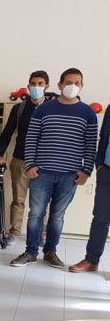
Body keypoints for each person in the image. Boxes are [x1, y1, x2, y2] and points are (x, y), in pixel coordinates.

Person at [10, 68, 97, 268]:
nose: (72, 86)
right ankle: (30, 252)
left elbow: (91, 144)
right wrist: (30, 164)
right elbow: (31, 138)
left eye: (77, 82)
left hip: (69, 176)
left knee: (57, 216)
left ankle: (50, 251)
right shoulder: (44, 109)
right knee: (35, 214)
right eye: (68, 82)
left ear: (82, 86)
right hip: (42, 174)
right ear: (59, 85)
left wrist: (86, 171)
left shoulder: (88, 113)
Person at [0, 70, 50, 246]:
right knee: (18, 201)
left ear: (47, 86)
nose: (37, 87)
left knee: (41, 203)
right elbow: (6, 134)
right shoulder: (19, 109)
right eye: (33, 83)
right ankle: (14, 232)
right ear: (28, 86)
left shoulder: (53, 108)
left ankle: (42, 233)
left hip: (43, 164)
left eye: (40, 84)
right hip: (20, 160)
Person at [69, 103, 110, 273]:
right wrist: (99, 164)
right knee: (100, 217)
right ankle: (91, 260)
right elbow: (104, 135)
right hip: (107, 170)